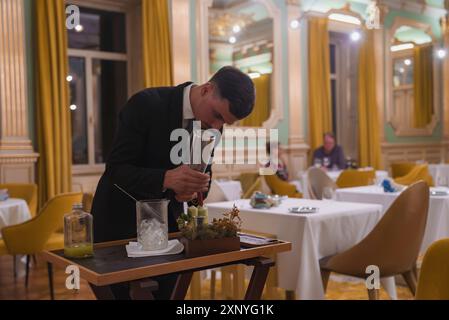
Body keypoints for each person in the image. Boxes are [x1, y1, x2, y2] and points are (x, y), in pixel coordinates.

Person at [91, 66, 255, 299]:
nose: (217, 127)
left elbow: (203, 181)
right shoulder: (146, 104)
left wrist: (189, 191)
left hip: (169, 233)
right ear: (207, 89)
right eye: (217, 115)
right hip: (118, 228)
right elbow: (116, 170)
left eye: (225, 123)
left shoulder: (211, 127)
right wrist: (166, 178)